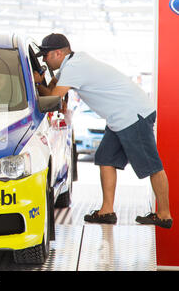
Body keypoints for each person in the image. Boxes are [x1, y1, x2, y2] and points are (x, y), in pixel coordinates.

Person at [34, 33, 172, 229]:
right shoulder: (71, 63)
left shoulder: (74, 67)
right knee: (106, 158)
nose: (44, 60)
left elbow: (52, 98)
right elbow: (53, 88)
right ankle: (107, 211)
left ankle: (164, 215)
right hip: (119, 117)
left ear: (58, 53)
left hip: (132, 115)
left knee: (151, 165)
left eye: (45, 56)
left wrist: (38, 82)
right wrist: (40, 81)